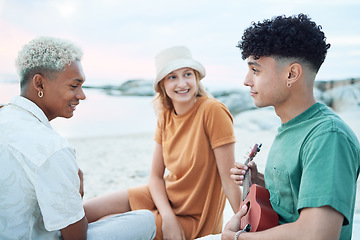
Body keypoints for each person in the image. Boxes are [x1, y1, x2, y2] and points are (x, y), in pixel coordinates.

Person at [0, 36, 156, 240]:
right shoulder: (52, 148)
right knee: (145, 220)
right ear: (40, 83)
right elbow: (76, 236)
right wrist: (77, 191)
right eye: (74, 86)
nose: (82, 95)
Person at [221, 14, 360, 240]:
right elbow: (296, 200)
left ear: (291, 74)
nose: (246, 80)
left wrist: (237, 238)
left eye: (255, 70)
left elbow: (319, 234)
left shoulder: (327, 136)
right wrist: (262, 184)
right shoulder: (291, 127)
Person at [84, 46, 242, 239]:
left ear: (196, 78)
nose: (182, 83)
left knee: (104, 228)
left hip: (193, 216)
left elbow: (228, 178)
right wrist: (167, 217)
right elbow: (155, 177)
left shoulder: (212, 111)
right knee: (84, 213)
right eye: (172, 77)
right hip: (163, 198)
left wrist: (246, 227)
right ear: (162, 85)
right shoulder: (165, 115)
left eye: (187, 74)